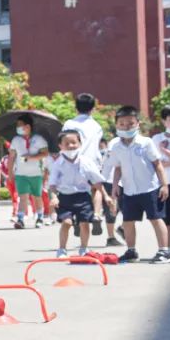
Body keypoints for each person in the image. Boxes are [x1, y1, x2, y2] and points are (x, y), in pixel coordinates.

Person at [101, 106, 170, 263]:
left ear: (138, 123)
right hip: (129, 190)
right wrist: (114, 186)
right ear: (116, 125)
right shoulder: (116, 146)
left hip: (150, 188)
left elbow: (157, 164)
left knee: (156, 218)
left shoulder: (146, 143)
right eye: (122, 124)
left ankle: (164, 251)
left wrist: (164, 185)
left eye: (130, 123)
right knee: (127, 221)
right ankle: (131, 251)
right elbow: (117, 167)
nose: (126, 127)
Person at [48, 130, 104, 258]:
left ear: (80, 143)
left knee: (84, 223)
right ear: (60, 146)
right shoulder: (57, 164)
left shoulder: (86, 161)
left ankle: (84, 248)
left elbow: (97, 182)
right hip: (64, 197)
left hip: (83, 197)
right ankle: (62, 249)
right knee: (66, 223)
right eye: (66, 143)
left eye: (74, 142)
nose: (70, 145)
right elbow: (52, 185)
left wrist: (106, 197)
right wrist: (54, 197)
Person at [62, 92, 107, 237]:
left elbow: (64, 141)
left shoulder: (69, 124)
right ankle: (97, 214)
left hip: (74, 161)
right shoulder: (96, 125)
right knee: (97, 189)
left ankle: (76, 218)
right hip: (93, 161)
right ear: (93, 108)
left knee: (77, 191)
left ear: (76, 108)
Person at [8, 113, 49, 229]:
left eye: (20, 125)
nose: (18, 128)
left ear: (28, 126)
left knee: (37, 196)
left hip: (36, 173)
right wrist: (10, 172)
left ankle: (40, 217)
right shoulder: (16, 140)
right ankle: (20, 219)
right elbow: (11, 156)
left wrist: (31, 157)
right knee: (23, 196)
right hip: (21, 173)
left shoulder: (39, 139)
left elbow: (45, 153)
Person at [98, 138, 123, 246]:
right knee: (112, 210)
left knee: (128, 208)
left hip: (125, 182)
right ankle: (111, 237)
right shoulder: (113, 146)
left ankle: (122, 228)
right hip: (110, 181)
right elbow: (107, 168)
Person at [152, 105, 170, 231]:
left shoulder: (161, 144)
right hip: (163, 183)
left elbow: (161, 162)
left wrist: (164, 150)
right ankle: (167, 248)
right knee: (166, 219)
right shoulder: (156, 139)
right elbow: (154, 163)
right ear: (163, 121)